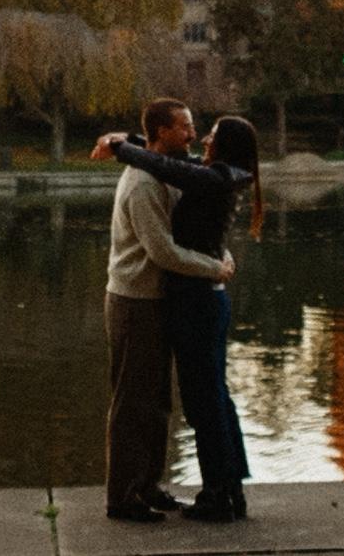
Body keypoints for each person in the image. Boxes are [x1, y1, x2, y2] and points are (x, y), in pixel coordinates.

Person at [93, 114, 264, 523]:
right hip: (195, 300)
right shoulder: (215, 173)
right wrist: (129, 140)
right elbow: (167, 161)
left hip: (199, 303)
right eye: (187, 127)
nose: (200, 137)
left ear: (226, 146)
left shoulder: (216, 177)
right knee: (212, 400)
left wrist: (121, 147)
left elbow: (168, 164)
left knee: (206, 405)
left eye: (210, 134)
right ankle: (228, 490)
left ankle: (219, 495)